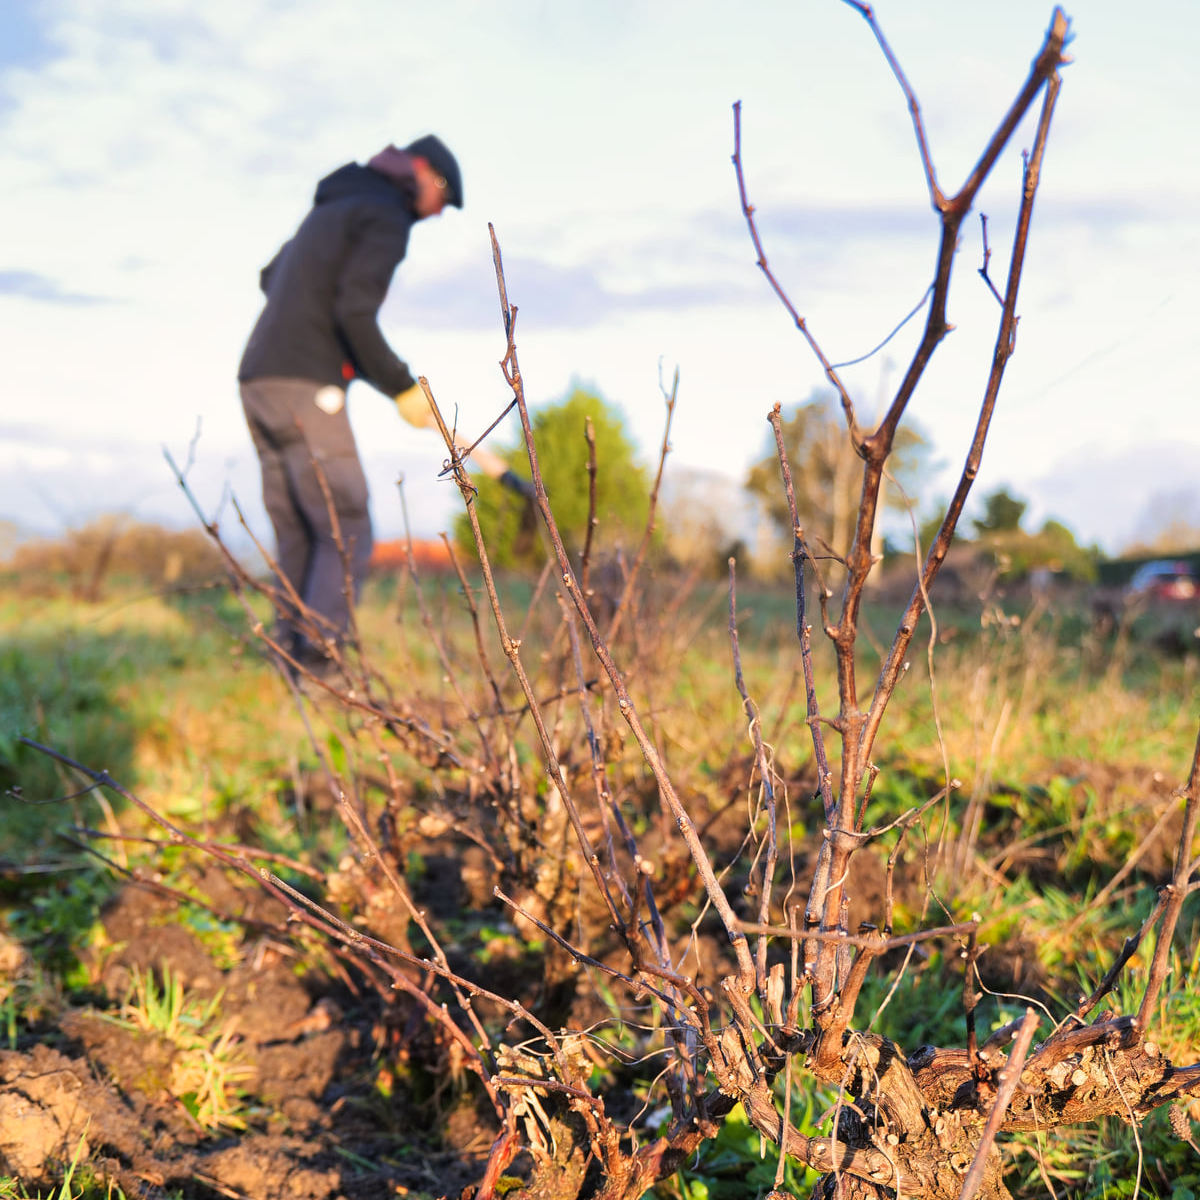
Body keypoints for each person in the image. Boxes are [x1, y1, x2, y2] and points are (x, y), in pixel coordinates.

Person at [238, 135, 524, 676]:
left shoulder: (335, 205)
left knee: (299, 526)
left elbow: (270, 278)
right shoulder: (384, 214)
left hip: (257, 377)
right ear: (421, 170)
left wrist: (337, 350)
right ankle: (321, 667)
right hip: (304, 385)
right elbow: (355, 314)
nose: (437, 212)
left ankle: (289, 661)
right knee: (344, 524)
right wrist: (399, 385)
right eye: (442, 196)